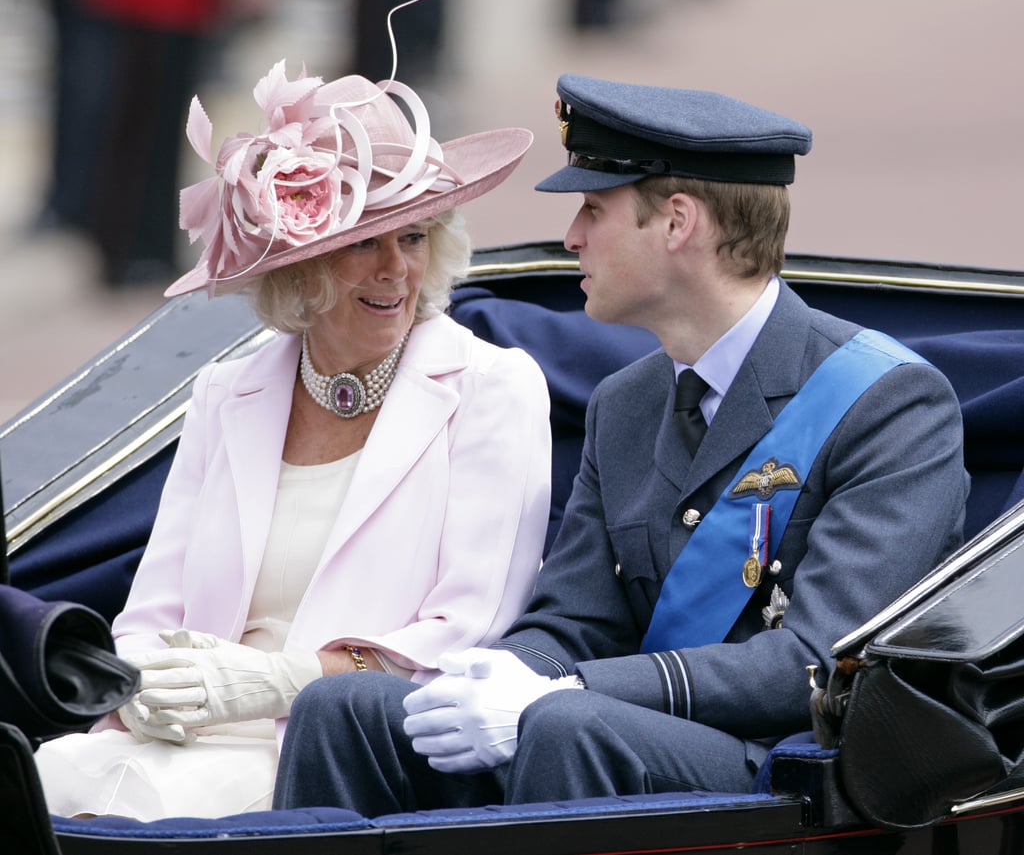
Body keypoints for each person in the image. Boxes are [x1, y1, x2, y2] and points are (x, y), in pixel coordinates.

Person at [272, 74, 970, 814]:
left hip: (781, 766)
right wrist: (496, 676)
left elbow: (813, 663)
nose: (571, 235)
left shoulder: (887, 402)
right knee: (342, 707)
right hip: (601, 731)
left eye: (593, 209)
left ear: (676, 222)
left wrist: (567, 688)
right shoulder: (624, 402)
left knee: (565, 724)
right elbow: (573, 620)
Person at [33, 59, 550, 819]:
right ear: (301, 264)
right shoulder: (225, 392)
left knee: (133, 813)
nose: (397, 269)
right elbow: (150, 613)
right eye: (364, 244)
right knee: (36, 783)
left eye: (413, 236)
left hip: (340, 754)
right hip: (180, 734)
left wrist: (281, 679)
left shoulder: (491, 388)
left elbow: (469, 633)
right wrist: (141, 684)